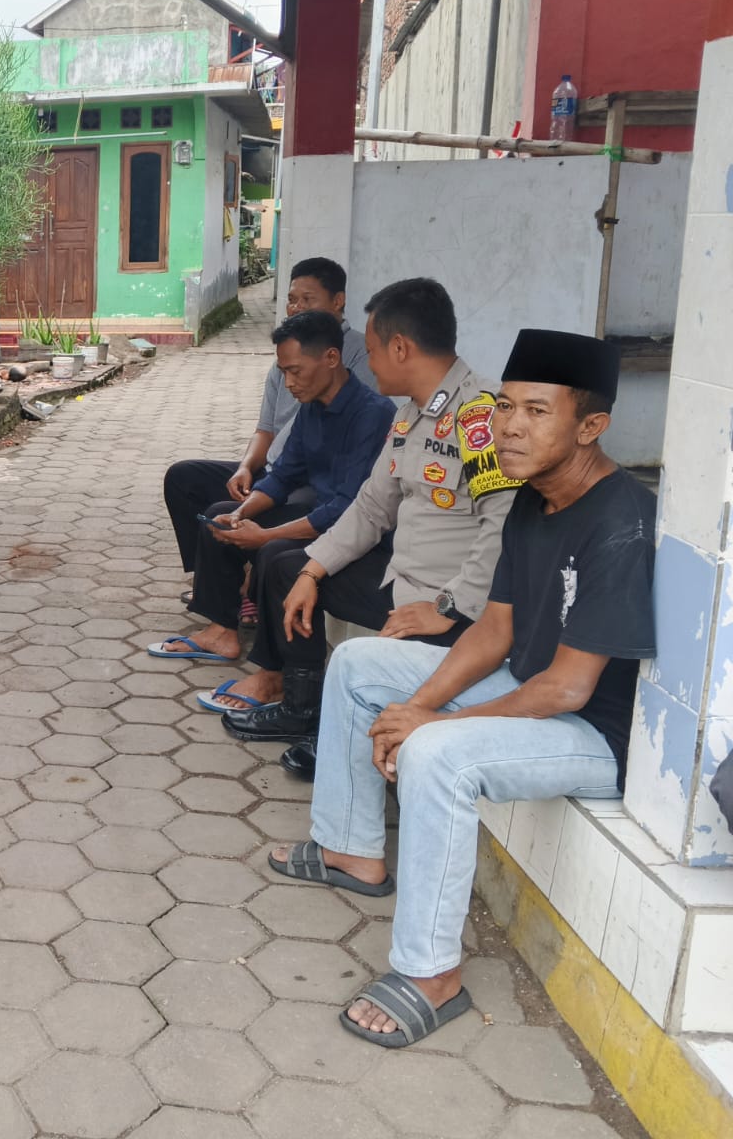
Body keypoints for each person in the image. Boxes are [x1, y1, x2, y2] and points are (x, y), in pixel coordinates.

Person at [269, 328, 655, 1048]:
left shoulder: (621, 520)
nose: (509, 426)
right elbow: (494, 632)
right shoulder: (532, 499)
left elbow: (569, 689)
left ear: (591, 427)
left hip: (592, 733)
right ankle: (351, 849)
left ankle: (431, 977)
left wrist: (430, 727)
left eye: (537, 412)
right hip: (527, 683)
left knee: (437, 755)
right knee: (359, 664)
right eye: (505, 406)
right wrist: (415, 705)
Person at [218, 279, 521, 782]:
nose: (369, 362)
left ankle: (339, 736)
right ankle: (301, 708)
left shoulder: (479, 417)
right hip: (401, 585)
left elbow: (503, 526)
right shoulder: (410, 416)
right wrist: (312, 572)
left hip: (453, 608)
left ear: (400, 348)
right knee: (287, 569)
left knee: (306, 586)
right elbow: (372, 506)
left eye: (374, 350)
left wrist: (448, 607)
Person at [148, 310, 394, 661]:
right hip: (322, 514)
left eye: (295, 371)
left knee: (274, 553)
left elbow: (347, 509)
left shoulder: (373, 414)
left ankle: (273, 670)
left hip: (354, 531)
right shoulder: (311, 407)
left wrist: (264, 536)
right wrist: (241, 513)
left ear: (331, 358)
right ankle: (222, 632)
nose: (289, 383)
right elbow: (282, 476)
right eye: (283, 372)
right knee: (220, 517)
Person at [162, 257, 378, 602]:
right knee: (188, 482)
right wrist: (246, 469)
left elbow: (343, 499)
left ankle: (242, 588)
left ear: (338, 302)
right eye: (292, 299)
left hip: (313, 483)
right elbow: (267, 431)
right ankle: (215, 584)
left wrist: (263, 530)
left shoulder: (360, 371)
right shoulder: (290, 363)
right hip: (280, 470)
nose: (296, 307)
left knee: (268, 538)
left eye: (307, 299)